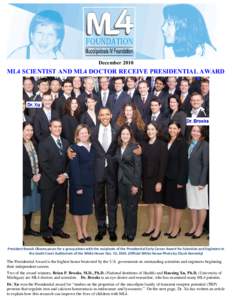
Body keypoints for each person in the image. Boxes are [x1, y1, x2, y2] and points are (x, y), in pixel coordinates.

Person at [38, 119, 70, 244]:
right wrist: (56, 177)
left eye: (59, 127)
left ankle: (57, 229)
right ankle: (45, 232)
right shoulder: (44, 143)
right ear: (50, 128)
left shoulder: (66, 142)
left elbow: (70, 161)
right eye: (55, 126)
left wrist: (65, 175)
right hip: (49, 182)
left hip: (63, 182)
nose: (58, 129)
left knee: (61, 208)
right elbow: (44, 164)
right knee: (46, 209)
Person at [69, 125, 96, 243]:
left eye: (86, 133)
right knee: (77, 209)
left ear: (89, 134)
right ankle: (79, 232)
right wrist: (78, 186)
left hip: (90, 183)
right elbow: (74, 169)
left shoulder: (92, 147)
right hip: (78, 184)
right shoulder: (74, 148)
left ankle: (85, 230)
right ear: (77, 135)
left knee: (86, 209)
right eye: (81, 133)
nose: (84, 135)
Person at [141, 122, 168, 241]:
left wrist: (160, 182)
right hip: (147, 180)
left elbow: (163, 165)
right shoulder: (144, 145)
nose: (150, 131)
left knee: (157, 204)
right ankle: (151, 226)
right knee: (150, 204)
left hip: (157, 180)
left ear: (157, 131)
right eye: (148, 129)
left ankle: (157, 229)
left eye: (152, 129)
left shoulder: (162, 145)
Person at [115, 125, 141, 241]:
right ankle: (126, 230)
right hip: (121, 181)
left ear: (130, 136)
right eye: (123, 134)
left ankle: (132, 232)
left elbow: (138, 167)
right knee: (124, 208)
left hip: (132, 182)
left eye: (127, 134)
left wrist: (136, 185)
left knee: (132, 209)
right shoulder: (118, 147)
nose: (125, 136)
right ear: (120, 136)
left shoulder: (135, 147)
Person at [164, 121, 188, 238]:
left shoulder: (182, 143)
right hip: (168, 178)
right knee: (170, 204)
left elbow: (184, 164)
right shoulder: (167, 141)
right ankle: (171, 226)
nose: (172, 130)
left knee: (177, 205)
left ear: (179, 130)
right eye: (170, 128)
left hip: (178, 179)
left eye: (174, 128)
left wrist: (181, 181)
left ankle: (176, 228)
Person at [185, 126, 209, 239]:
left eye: (198, 131)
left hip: (200, 181)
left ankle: (200, 228)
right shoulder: (189, 143)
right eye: (193, 130)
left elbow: (206, 165)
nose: (195, 133)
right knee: (192, 205)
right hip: (189, 180)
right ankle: (194, 227)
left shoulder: (205, 145)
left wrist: (202, 182)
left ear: (202, 133)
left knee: (201, 206)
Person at [23, 122, 41, 237]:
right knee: (22, 206)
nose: (30, 132)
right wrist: (32, 175)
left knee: (29, 206)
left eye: (31, 130)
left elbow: (36, 160)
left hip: (34, 180)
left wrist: (38, 173)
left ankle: (28, 228)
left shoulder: (32, 142)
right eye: (27, 130)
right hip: (24, 179)